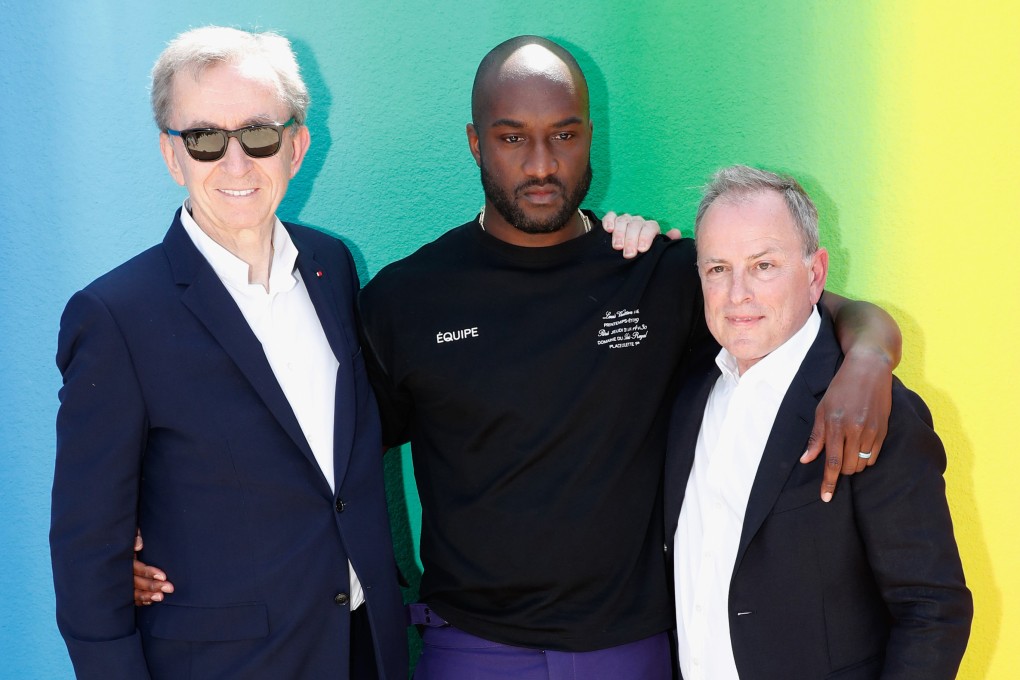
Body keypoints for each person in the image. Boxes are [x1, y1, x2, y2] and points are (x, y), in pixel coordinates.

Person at [135, 35, 902, 678]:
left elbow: (805, 310)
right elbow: (314, 460)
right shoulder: (408, 298)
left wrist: (871, 356)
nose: (540, 165)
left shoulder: (657, 273)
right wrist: (161, 528)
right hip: (469, 647)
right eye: (511, 138)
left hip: (630, 646)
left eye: (563, 135)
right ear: (476, 142)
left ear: (589, 138)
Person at [50, 26, 406, 680]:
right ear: (171, 155)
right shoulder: (115, 318)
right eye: (205, 138)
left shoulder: (332, 268)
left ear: (296, 147)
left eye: (259, 134)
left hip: (364, 647)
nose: (235, 163)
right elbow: (85, 559)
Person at [665, 165, 972, 679]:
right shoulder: (687, 387)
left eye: (763, 265)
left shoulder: (870, 408)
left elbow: (932, 610)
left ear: (815, 274)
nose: (737, 292)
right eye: (717, 269)